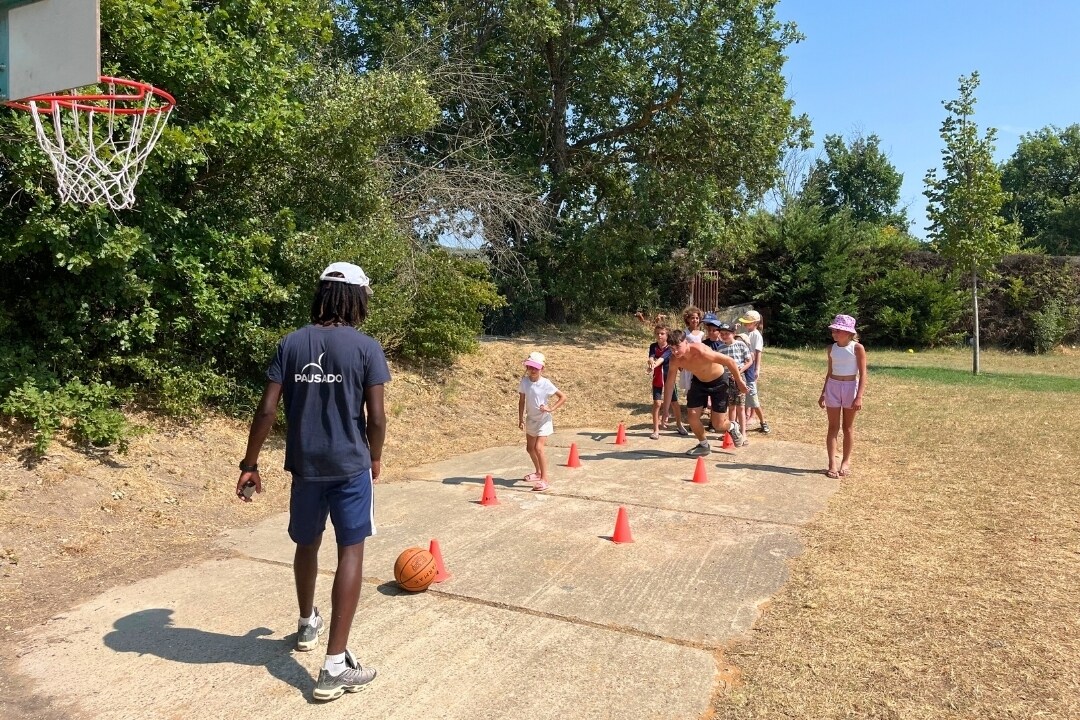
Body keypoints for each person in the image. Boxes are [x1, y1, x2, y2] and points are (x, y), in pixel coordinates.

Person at [236, 261, 388, 702]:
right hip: (349, 467)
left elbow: (266, 410)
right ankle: (335, 665)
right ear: (356, 298)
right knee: (350, 551)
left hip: (305, 466)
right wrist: (375, 456)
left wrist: (250, 463)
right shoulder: (366, 347)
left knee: (307, 543)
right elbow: (377, 417)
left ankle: (307, 624)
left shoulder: (291, 343)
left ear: (322, 295)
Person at [662, 328, 748, 456]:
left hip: (719, 382)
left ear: (686, 342)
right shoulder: (675, 360)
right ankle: (703, 445)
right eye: (671, 348)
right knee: (692, 417)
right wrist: (665, 409)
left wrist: (739, 381)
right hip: (699, 382)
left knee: (718, 424)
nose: (675, 352)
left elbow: (729, 361)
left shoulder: (702, 351)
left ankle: (732, 427)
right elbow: (669, 384)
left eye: (678, 347)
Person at [818, 314, 867, 478]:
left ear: (848, 333)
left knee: (848, 427)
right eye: (834, 330)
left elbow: (863, 374)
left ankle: (845, 461)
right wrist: (823, 393)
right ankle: (832, 463)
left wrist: (859, 396)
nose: (834, 333)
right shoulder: (831, 348)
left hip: (850, 387)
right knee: (833, 427)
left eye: (838, 330)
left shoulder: (857, 348)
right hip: (833, 386)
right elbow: (829, 372)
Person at [518, 351, 567, 492]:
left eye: (536, 368)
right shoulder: (524, 382)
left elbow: (563, 397)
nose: (533, 370)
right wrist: (521, 419)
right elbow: (521, 401)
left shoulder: (546, 383)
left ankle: (544, 480)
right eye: (530, 367)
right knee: (530, 449)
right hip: (531, 419)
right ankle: (538, 472)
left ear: (542, 369)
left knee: (539, 448)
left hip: (543, 420)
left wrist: (550, 409)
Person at [711, 322, 753, 446]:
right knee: (731, 406)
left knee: (741, 407)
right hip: (726, 380)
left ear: (733, 333)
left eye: (727, 334)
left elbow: (749, 361)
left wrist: (739, 372)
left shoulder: (741, 345)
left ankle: (743, 433)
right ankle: (731, 431)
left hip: (739, 379)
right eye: (722, 334)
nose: (724, 336)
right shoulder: (720, 348)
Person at [647, 325, 687, 439]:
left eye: (662, 333)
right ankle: (656, 430)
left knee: (674, 403)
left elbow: (662, 358)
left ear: (667, 335)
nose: (659, 335)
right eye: (657, 333)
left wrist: (654, 364)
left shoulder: (670, 347)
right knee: (657, 403)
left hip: (669, 378)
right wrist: (650, 362)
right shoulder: (653, 346)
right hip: (657, 378)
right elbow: (651, 357)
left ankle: (679, 425)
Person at [738, 310, 771, 434]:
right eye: (745, 322)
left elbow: (758, 353)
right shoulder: (746, 333)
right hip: (744, 367)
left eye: (748, 322)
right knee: (742, 397)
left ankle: (762, 421)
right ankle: (743, 419)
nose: (746, 324)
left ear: (755, 323)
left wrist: (757, 368)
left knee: (753, 398)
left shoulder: (756, 335)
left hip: (751, 370)